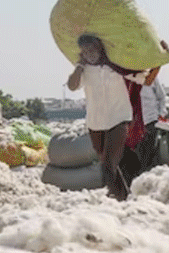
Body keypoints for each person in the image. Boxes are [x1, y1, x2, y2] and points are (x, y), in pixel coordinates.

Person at [67, 34, 162, 201]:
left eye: (92, 49)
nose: (90, 54)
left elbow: (147, 80)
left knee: (108, 164)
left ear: (101, 49)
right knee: (107, 163)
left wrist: (159, 60)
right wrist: (79, 66)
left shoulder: (117, 67)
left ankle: (118, 199)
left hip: (119, 119)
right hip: (95, 122)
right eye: (85, 51)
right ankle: (124, 197)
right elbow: (72, 86)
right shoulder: (84, 71)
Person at [120, 79, 167, 185]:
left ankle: (149, 188)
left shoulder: (150, 76)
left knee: (147, 159)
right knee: (127, 163)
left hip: (149, 122)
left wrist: (161, 114)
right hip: (129, 126)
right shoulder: (121, 78)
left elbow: (161, 97)